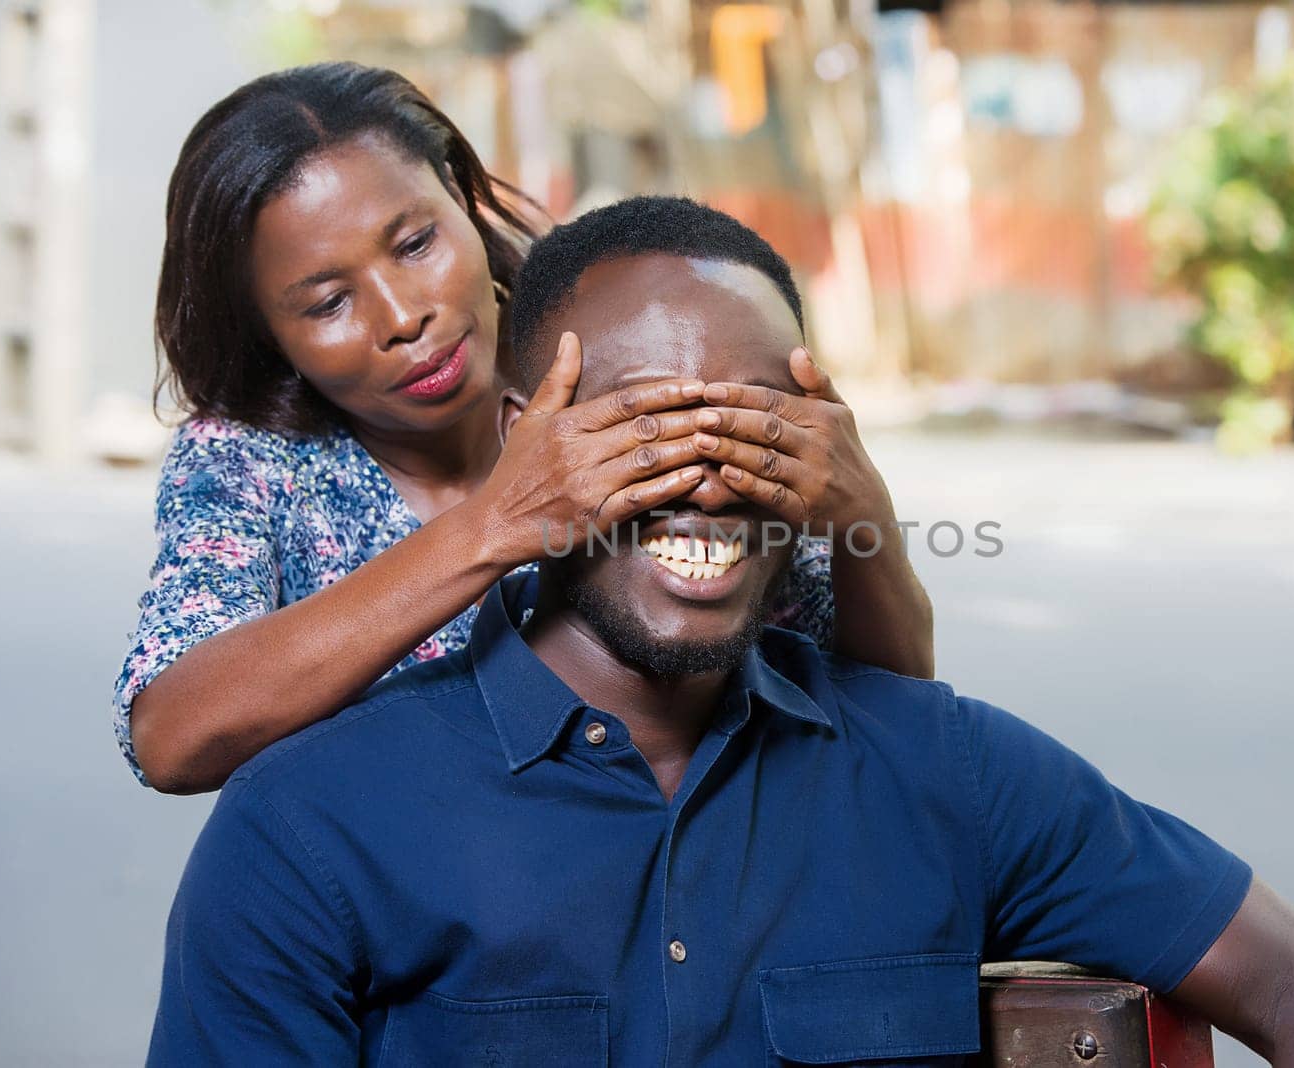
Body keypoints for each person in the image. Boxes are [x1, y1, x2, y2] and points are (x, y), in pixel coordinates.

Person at [149, 197, 1294, 1067]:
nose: (704, 477)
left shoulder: (951, 774)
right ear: (533, 432)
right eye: (644, 428)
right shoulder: (313, 830)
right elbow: (171, 728)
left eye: (754, 427)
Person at [113, 64, 932, 794]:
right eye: (328, 303)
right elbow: (174, 738)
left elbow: (888, 716)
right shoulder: (255, 461)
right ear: (269, 335)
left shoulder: (617, 342)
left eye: (416, 242)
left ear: (461, 201)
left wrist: (865, 518)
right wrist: (495, 527)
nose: (404, 317)